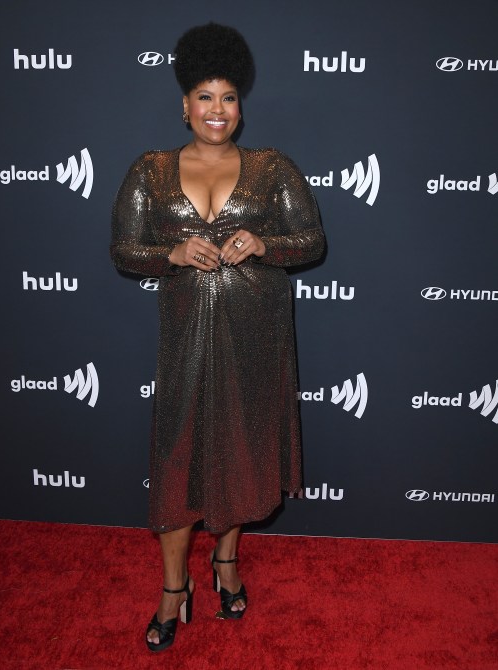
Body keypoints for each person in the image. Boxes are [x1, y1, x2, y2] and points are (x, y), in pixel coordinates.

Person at [111, 22, 325, 653]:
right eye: (205, 96)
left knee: (238, 452)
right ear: (184, 104)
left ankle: (226, 562)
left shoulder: (272, 166)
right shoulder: (150, 170)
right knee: (178, 460)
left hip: (257, 333)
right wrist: (172, 253)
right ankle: (173, 588)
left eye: (228, 97)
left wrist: (263, 243)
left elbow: (311, 241)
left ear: (241, 106)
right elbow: (123, 249)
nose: (217, 109)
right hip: (185, 342)